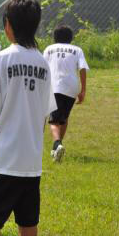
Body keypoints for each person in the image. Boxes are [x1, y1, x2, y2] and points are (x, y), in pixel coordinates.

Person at [0, 0, 56, 236]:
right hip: (30, 160)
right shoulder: (43, 64)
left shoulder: (0, 60)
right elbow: (44, 114)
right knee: (28, 217)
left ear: (8, 25)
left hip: (3, 159)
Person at [43, 25, 89, 162]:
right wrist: (83, 90)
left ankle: (57, 144)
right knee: (64, 117)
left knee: (54, 120)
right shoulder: (77, 50)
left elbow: (43, 67)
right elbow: (82, 69)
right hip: (71, 88)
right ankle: (57, 148)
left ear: (55, 37)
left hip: (54, 86)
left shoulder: (49, 49)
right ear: (71, 38)